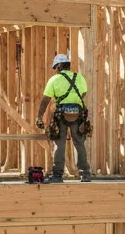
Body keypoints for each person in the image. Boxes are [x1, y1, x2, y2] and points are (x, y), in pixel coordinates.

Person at [36, 54, 92, 183]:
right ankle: (85, 174)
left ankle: (57, 175)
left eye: (56, 67)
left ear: (58, 66)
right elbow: (83, 93)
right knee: (79, 143)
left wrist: (39, 117)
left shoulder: (54, 80)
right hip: (78, 114)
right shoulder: (79, 78)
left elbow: (45, 100)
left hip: (61, 114)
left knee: (59, 144)